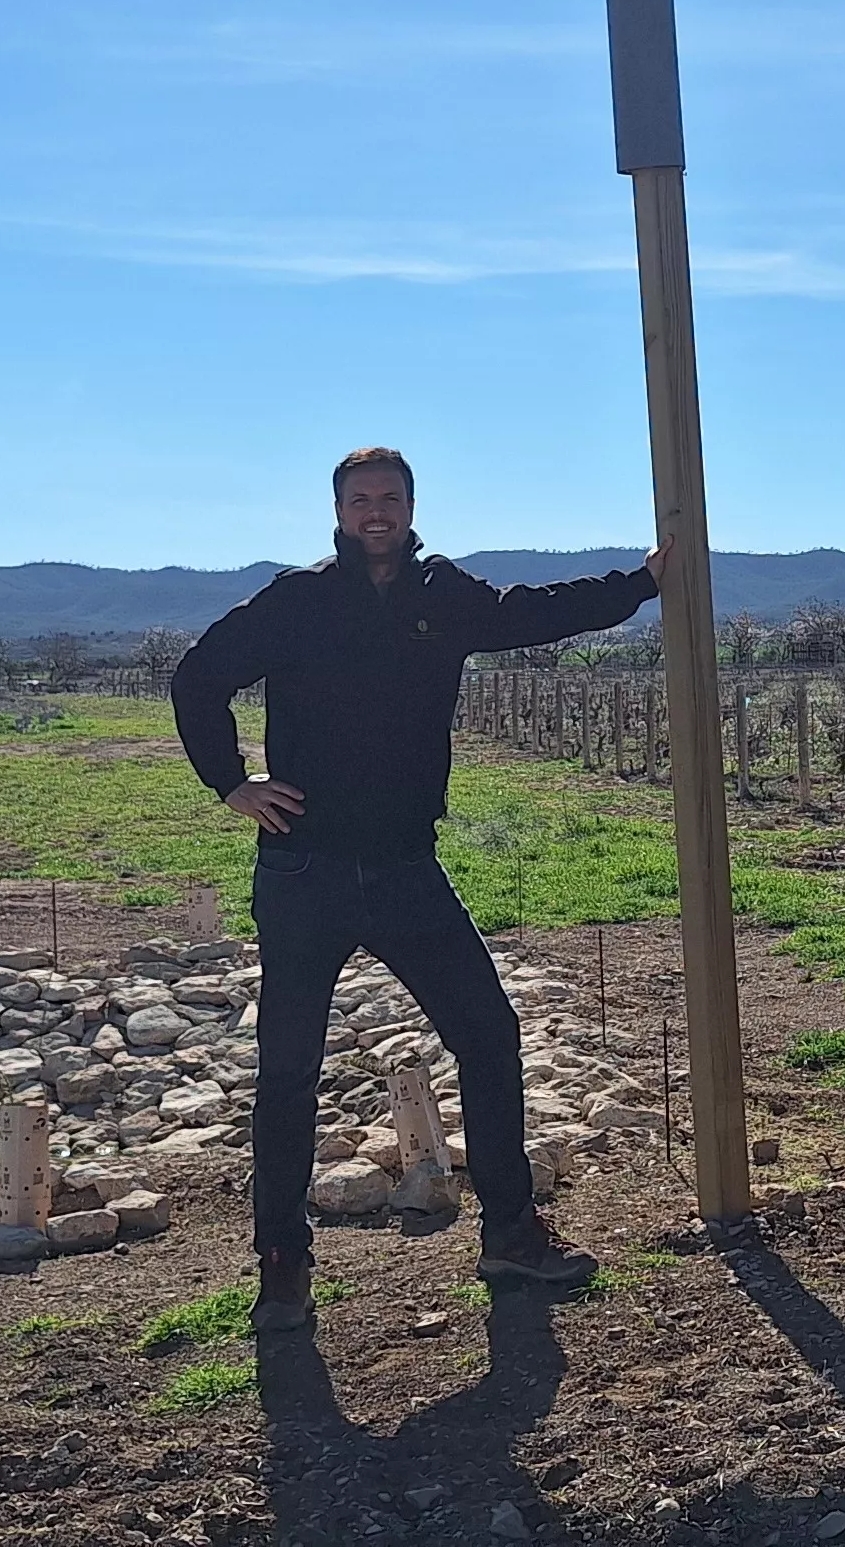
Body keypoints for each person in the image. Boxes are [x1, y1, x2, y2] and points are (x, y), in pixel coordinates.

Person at [170, 446, 660, 1335]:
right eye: (361, 499)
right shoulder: (298, 599)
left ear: (409, 505)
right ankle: (281, 1262)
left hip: (404, 866)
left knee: (488, 1032)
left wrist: (644, 581)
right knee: (287, 1069)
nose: (377, 512)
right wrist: (230, 782)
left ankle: (510, 1231)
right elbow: (198, 676)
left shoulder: (444, 597)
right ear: (339, 509)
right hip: (304, 868)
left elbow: (536, 613)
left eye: (389, 498)